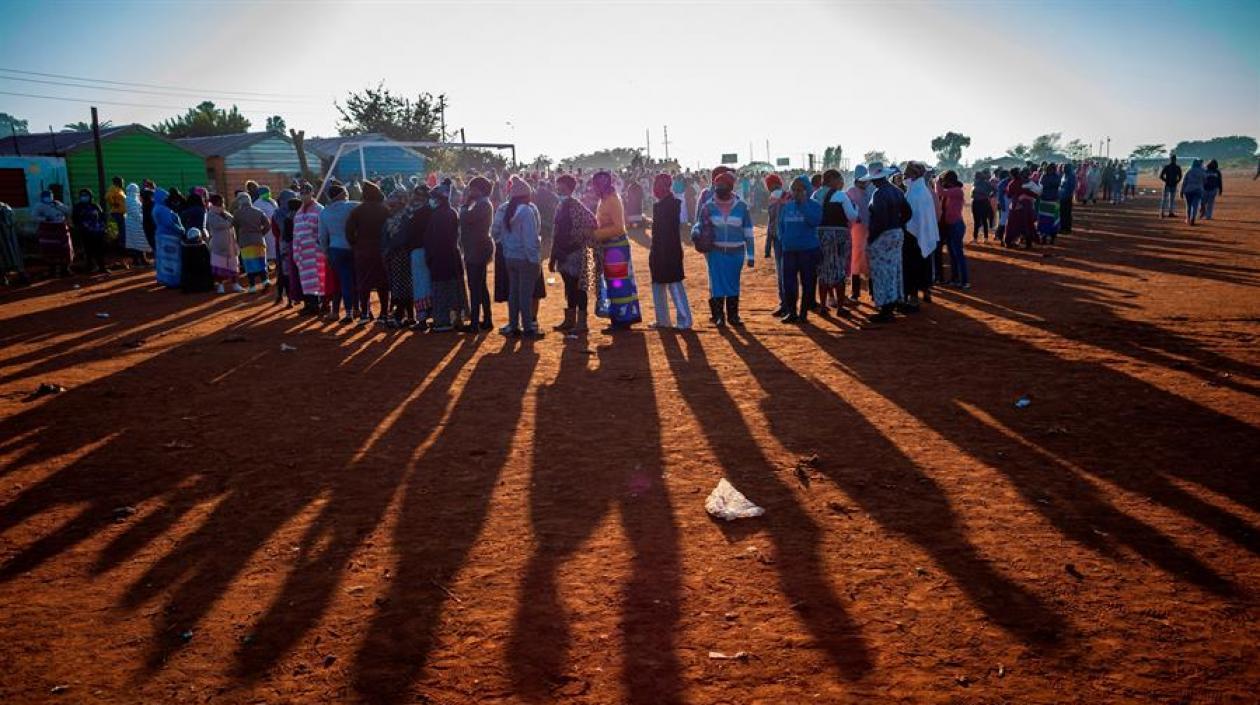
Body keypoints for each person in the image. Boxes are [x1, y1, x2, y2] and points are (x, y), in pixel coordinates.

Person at [692, 170, 754, 326]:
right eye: (717, 185)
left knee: (733, 283)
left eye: (723, 185)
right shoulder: (708, 206)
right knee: (717, 284)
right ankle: (720, 316)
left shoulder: (741, 207)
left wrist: (751, 255)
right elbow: (700, 224)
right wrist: (695, 231)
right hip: (716, 252)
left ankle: (733, 316)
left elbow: (748, 232)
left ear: (730, 186)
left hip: (737, 253)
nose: (719, 187)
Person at [492, 176, 545, 337]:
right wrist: (535, 258)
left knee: (513, 293)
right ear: (526, 195)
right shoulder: (528, 211)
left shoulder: (505, 209)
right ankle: (528, 328)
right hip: (526, 258)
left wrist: (508, 250)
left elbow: (496, 233)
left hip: (510, 257)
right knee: (525, 294)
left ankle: (513, 326)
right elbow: (530, 238)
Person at [590, 170, 642, 332]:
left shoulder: (612, 200)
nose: (594, 188)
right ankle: (619, 318)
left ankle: (622, 319)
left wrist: (595, 234)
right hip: (610, 248)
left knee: (618, 283)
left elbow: (619, 227)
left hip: (616, 248)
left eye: (597, 184)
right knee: (614, 283)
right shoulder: (605, 199)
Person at [549, 173, 597, 333]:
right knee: (569, 288)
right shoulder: (561, 206)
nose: (559, 191)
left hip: (576, 254)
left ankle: (582, 323)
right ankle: (570, 321)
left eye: (562, 188)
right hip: (563, 254)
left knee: (579, 288)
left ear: (570, 189)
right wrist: (553, 256)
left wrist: (576, 239)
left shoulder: (576, 205)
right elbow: (556, 232)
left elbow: (592, 222)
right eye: (558, 188)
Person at [863, 164, 909, 323]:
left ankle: (886, 309)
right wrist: (897, 224)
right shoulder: (897, 191)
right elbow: (908, 213)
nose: (873, 183)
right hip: (896, 233)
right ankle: (895, 301)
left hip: (882, 236)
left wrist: (871, 239)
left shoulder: (879, 194)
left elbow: (880, 220)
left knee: (881, 272)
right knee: (894, 269)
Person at [775, 174, 824, 323]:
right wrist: (784, 241)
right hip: (789, 251)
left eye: (800, 189)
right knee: (788, 283)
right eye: (794, 189)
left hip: (808, 251)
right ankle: (792, 312)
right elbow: (780, 227)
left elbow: (815, 221)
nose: (796, 192)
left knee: (808, 283)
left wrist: (803, 205)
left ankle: (803, 313)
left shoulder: (814, 205)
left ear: (807, 190)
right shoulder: (787, 207)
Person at [647, 172, 691, 329]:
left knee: (674, 285)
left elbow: (667, 231)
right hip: (659, 250)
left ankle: (684, 321)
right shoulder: (662, 205)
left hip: (669, 251)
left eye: (659, 185)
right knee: (658, 285)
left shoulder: (672, 205)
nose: (656, 188)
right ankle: (662, 320)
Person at [424, 181, 468, 332]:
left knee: (441, 289)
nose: (431, 200)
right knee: (454, 288)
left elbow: (433, 239)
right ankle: (457, 319)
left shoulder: (438, 215)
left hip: (440, 257)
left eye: (434, 198)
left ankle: (442, 321)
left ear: (440, 199)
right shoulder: (451, 212)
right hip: (451, 256)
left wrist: (430, 256)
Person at [346, 180, 391, 323]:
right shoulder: (385, 210)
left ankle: (365, 313)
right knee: (382, 283)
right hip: (381, 250)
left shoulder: (357, 211)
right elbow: (390, 230)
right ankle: (383, 314)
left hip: (362, 251)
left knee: (363, 282)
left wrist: (355, 245)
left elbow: (349, 232)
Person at [816, 169, 858, 316]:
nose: (842, 182)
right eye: (840, 179)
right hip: (838, 235)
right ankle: (840, 308)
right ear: (832, 180)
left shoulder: (815, 195)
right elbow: (852, 216)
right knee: (839, 269)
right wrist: (857, 208)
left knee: (823, 270)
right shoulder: (840, 195)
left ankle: (822, 306)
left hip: (820, 234)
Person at [319, 183, 359, 323]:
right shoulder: (353, 206)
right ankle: (356, 310)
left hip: (335, 249)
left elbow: (322, 237)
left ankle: (345, 312)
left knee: (342, 282)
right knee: (355, 280)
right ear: (342, 194)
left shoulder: (324, 212)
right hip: (353, 248)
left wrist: (326, 253)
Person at [460, 176, 495, 332]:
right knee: (480, 286)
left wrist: (465, 204)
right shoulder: (483, 203)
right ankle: (486, 320)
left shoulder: (481, 205)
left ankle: (475, 323)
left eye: (472, 188)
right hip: (478, 248)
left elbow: (465, 217)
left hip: (476, 249)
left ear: (479, 189)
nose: (470, 190)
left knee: (475, 287)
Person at [902, 162, 939, 308]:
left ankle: (913, 297)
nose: (905, 177)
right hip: (924, 233)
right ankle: (926, 291)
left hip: (912, 236)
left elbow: (909, 215)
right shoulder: (923, 190)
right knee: (925, 263)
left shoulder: (914, 192)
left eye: (907, 174)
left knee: (912, 266)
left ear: (914, 175)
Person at [293, 183, 325, 315]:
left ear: (312, 193)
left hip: (315, 250)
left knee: (317, 279)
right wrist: (296, 250)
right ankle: (308, 304)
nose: (304, 195)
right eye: (302, 193)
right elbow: (296, 231)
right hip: (302, 251)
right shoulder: (299, 212)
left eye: (306, 193)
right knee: (305, 280)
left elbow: (323, 230)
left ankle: (317, 305)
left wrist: (319, 245)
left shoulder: (319, 209)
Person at [232, 192, 270, 291]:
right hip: (259, 240)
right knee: (261, 262)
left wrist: (238, 239)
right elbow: (267, 225)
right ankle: (265, 281)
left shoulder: (237, 213)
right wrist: (261, 233)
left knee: (249, 264)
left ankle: (252, 286)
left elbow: (235, 227)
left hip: (245, 242)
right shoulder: (258, 211)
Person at [206, 194, 243, 293]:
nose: (222, 203)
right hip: (219, 243)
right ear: (214, 202)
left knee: (233, 264)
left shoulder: (224, 213)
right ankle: (220, 286)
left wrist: (227, 219)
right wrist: (228, 222)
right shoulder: (211, 214)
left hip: (231, 244)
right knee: (219, 265)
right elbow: (221, 225)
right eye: (220, 201)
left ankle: (235, 284)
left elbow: (233, 220)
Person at [938, 170, 969, 289]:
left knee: (958, 254)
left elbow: (940, 191)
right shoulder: (952, 192)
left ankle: (964, 281)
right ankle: (955, 279)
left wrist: (937, 181)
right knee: (953, 254)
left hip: (956, 225)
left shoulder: (956, 191)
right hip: (951, 225)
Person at [33, 190, 73, 278]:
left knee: (65, 249)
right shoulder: (39, 205)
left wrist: (58, 206)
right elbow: (34, 217)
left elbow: (68, 211)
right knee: (50, 250)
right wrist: (45, 219)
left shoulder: (57, 203)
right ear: (42, 197)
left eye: (50, 196)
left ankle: (65, 269)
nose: (48, 198)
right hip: (48, 230)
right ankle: (52, 271)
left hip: (61, 228)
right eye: (46, 196)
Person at [846, 167, 872, 301]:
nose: (864, 182)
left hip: (870, 229)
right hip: (856, 229)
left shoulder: (870, 191)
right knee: (855, 258)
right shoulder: (850, 192)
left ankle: (873, 292)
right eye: (862, 180)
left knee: (869, 258)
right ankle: (855, 292)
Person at [763, 173, 787, 316]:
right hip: (790, 238)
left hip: (778, 239)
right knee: (789, 272)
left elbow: (771, 223)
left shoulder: (772, 198)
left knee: (781, 273)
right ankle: (790, 303)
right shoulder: (788, 195)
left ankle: (784, 304)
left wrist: (767, 246)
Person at [153, 188, 186, 287]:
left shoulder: (156, 207)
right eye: (166, 197)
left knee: (163, 259)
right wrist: (181, 230)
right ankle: (173, 280)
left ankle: (163, 278)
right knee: (172, 260)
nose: (167, 199)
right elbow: (170, 223)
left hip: (160, 235)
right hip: (170, 236)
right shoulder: (164, 210)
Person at [72, 188, 108, 274]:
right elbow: (75, 219)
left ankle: (102, 267)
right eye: (82, 195)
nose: (84, 197)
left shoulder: (95, 206)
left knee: (100, 250)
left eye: (86, 195)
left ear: (90, 196)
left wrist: (103, 227)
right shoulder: (77, 207)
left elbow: (102, 216)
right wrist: (81, 228)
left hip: (98, 232)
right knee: (88, 250)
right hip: (85, 232)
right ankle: (90, 267)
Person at [0, 200, 28, 286]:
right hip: (10, 237)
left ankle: (5, 279)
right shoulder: (6, 207)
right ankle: (21, 276)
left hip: (5, 238)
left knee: (4, 258)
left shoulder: (5, 207)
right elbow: (13, 221)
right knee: (14, 257)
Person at [123, 183, 150, 265]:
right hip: (136, 223)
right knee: (138, 242)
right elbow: (136, 213)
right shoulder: (132, 200)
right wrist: (144, 220)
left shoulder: (130, 198)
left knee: (136, 243)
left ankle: (139, 259)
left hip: (133, 223)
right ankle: (140, 260)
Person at [1037, 164, 1062, 243]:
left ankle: (1051, 238)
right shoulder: (1046, 176)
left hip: (1051, 201)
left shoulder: (1052, 177)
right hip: (1047, 201)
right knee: (1046, 220)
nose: (1049, 170)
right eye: (1048, 169)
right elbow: (1041, 185)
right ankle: (1045, 238)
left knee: (1051, 220)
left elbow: (1042, 184)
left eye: (1051, 169)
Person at [971, 170, 995, 242]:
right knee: (984, 221)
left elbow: (993, 190)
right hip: (983, 202)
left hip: (978, 202)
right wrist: (988, 195)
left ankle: (976, 238)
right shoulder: (986, 183)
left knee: (977, 221)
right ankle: (985, 238)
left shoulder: (976, 183)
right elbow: (994, 190)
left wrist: (987, 195)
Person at [1180, 158, 1206, 226]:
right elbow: (1205, 181)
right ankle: (1193, 219)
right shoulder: (1202, 171)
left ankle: (1188, 219)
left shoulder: (1189, 171)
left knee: (1188, 206)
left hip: (1188, 190)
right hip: (1198, 190)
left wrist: (1181, 191)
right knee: (1195, 206)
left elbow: (1184, 182)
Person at [106, 176, 126, 257]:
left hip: (121, 213)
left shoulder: (120, 190)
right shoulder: (113, 188)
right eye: (121, 181)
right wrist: (113, 203)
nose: (123, 183)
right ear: (117, 182)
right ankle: (119, 251)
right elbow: (107, 196)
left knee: (121, 232)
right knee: (118, 232)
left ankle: (121, 250)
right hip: (117, 214)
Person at [1059, 163, 1076, 234]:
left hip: (1067, 197)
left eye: (1065, 167)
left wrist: (1068, 195)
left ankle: (1067, 228)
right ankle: (1062, 227)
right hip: (1062, 197)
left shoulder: (1071, 176)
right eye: (1063, 167)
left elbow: (1071, 187)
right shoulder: (1063, 175)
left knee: (1067, 213)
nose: (1064, 169)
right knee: (1062, 213)